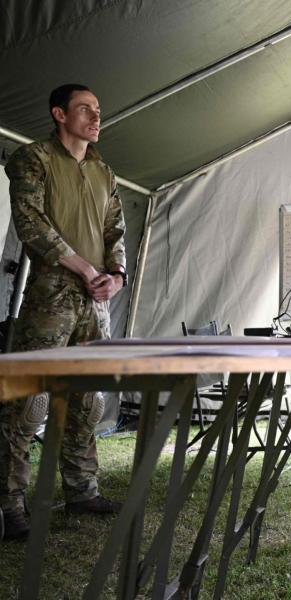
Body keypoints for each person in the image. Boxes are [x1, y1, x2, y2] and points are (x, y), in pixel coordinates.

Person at [1, 84, 127, 541]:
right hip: (52, 294)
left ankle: (81, 488)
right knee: (29, 401)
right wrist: (83, 266)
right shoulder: (31, 158)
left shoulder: (104, 171)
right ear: (59, 113)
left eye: (98, 109)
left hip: (97, 299)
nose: (96, 117)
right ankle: (10, 504)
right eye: (84, 109)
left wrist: (116, 276)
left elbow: (116, 229)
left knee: (88, 399)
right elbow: (31, 222)